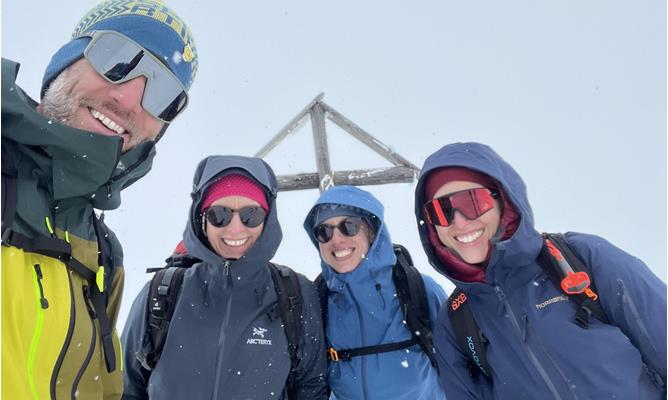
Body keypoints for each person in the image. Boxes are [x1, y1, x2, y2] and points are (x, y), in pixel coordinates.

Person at [0, 1, 197, 398]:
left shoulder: (105, 257)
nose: (129, 99)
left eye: (162, 94)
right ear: (64, 63)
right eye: (117, 58)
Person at [413, 142, 667, 399]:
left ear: (504, 200)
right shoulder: (458, 319)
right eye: (440, 211)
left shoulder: (580, 257)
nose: (459, 221)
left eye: (472, 202)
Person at [122, 155, 328, 399]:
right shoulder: (162, 293)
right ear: (202, 219)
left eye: (251, 214)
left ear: (267, 219)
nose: (235, 228)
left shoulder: (294, 293)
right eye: (220, 214)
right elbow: (125, 389)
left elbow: (311, 387)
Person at [303, 185, 447, 400]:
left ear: (372, 231)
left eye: (348, 226)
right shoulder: (318, 301)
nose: (336, 239)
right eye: (324, 231)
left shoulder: (419, 291)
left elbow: (462, 366)